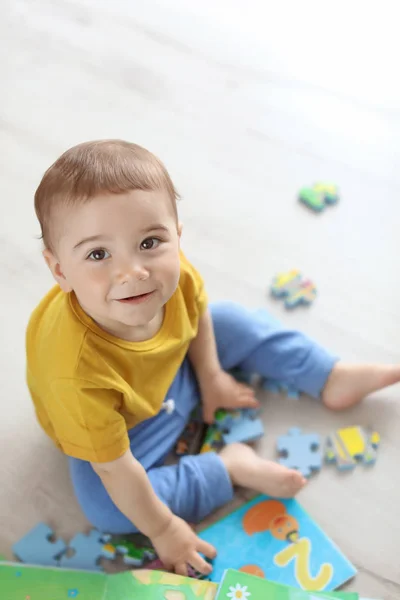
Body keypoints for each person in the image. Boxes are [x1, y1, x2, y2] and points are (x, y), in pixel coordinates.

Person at [26, 140, 400, 576]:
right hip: (121, 427)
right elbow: (116, 467)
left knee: (230, 319)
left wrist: (211, 374)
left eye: (150, 241)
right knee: (108, 507)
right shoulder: (74, 374)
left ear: (176, 235)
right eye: (97, 254)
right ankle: (227, 467)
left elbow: (198, 313)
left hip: (177, 373)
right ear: (58, 270)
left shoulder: (173, 271)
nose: (133, 272)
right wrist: (165, 529)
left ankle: (327, 374)